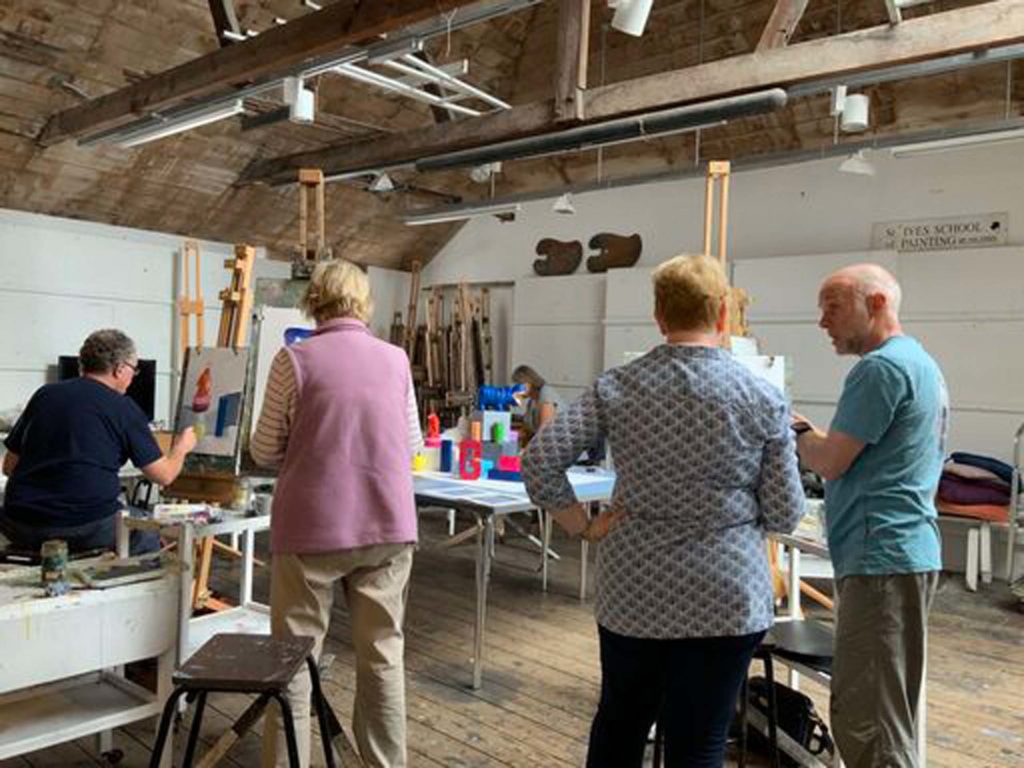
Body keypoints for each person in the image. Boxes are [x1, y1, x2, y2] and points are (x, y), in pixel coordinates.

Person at [522, 254, 804, 768]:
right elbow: (785, 514)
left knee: (621, 724)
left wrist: (582, 527)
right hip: (726, 593)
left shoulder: (617, 387)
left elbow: (540, 460)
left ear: (659, 314)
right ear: (723, 314)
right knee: (699, 742)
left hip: (636, 589)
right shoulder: (763, 398)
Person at [251, 259, 422, 768]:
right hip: (387, 523)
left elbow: (264, 449)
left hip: (311, 527)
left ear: (314, 301)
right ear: (364, 303)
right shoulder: (396, 360)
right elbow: (411, 443)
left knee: (294, 660)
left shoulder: (293, 360)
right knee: (383, 656)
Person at [793, 263, 945, 768]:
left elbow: (831, 461)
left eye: (833, 307)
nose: (823, 322)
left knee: (871, 721)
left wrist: (795, 434)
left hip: (881, 557)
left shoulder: (880, 369)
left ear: (877, 303)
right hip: (897, 553)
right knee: (885, 712)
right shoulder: (917, 362)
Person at [0, 329, 196, 555]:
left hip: (18, 524)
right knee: (146, 528)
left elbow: (9, 467)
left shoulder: (44, 395)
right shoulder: (123, 408)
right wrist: (182, 446)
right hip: (86, 526)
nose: (133, 378)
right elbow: (164, 475)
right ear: (120, 368)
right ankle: (140, 589)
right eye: (134, 370)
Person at [511, 364, 564, 441]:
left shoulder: (546, 395)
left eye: (518, 387)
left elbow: (544, 434)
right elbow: (526, 433)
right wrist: (506, 436)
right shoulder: (532, 401)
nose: (516, 392)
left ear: (528, 383)